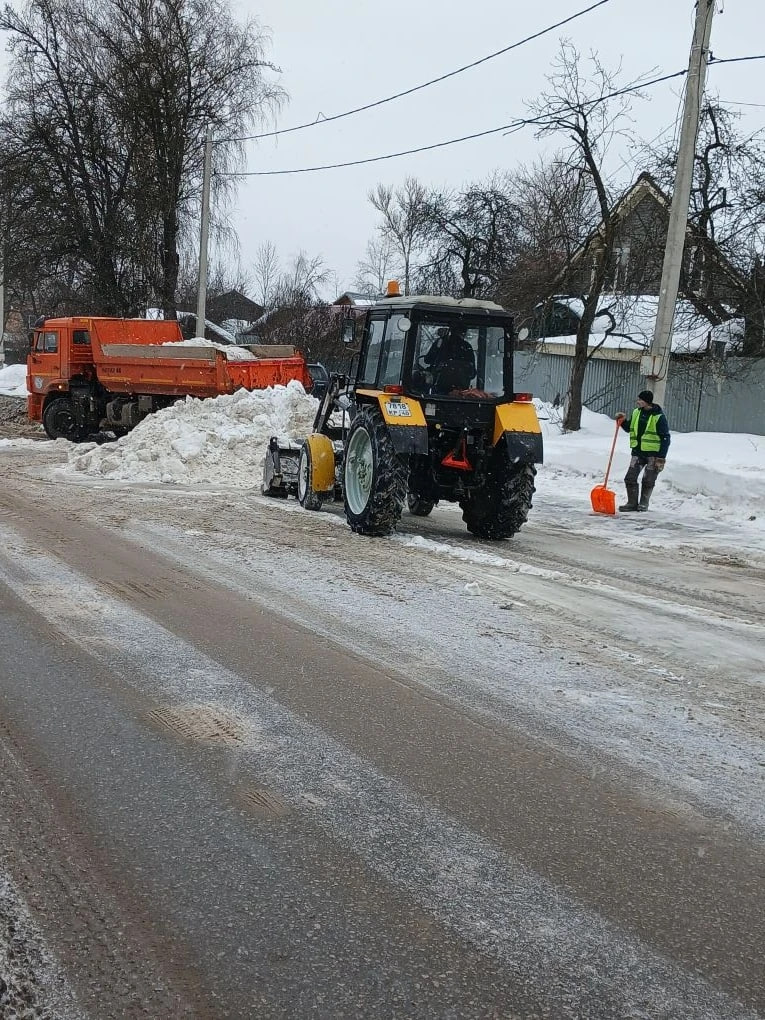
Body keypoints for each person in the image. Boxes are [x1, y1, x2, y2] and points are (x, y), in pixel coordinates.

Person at [615, 390, 671, 512]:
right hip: (638, 452)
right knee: (630, 478)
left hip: (653, 455)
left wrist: (661, 458)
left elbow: (665, 438)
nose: (638, 402)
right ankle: (632, 503)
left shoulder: (658, 417)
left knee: (648, 480)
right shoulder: (636, 412)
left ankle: (644, 503)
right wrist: (622, 421)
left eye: (640, 400)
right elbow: (630, 428)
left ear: (647, 402)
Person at [422, 325, 476, 392]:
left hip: (439, 387)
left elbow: (428, 360)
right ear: (464, 333)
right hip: (461, 391)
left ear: (451, 331)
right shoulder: (467, 347)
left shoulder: (441, 343)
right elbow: (472, 373)